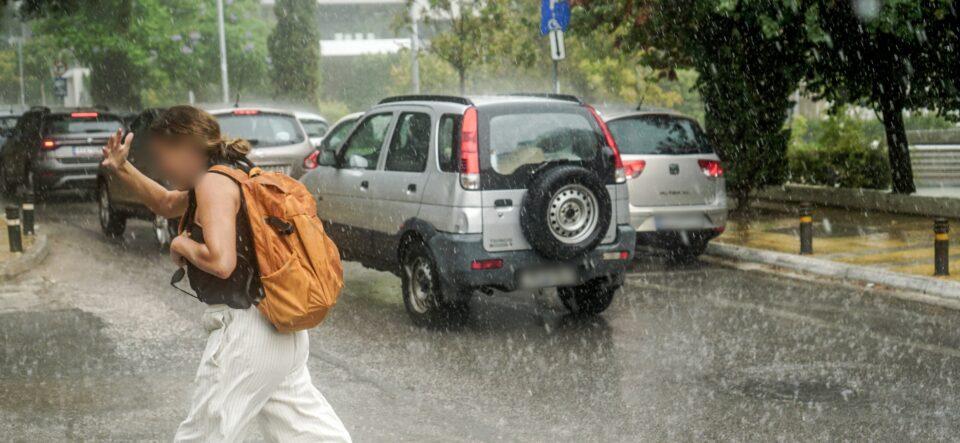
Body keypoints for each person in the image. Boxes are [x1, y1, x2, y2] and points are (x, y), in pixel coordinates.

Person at [101, 105, 351, 442]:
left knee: (203, 434)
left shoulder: (211, 183)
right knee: (309, 432)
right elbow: (165, 202)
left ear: (186, 146)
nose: (161, 167)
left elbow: (221, 261)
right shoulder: (235, 172)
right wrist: (122, 167)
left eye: (164, 157)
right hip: (280, 330)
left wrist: (182, 245)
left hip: (246, 331)